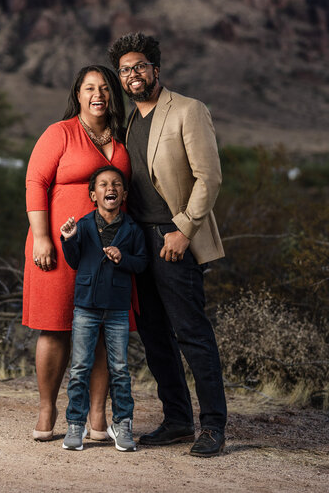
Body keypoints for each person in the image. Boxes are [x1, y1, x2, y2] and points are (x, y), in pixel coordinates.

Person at [108, 32, 227, 457]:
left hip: (173, 238)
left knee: (192, 333)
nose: (132, 75)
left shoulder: (189, 110)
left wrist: (184, 229)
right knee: (156, 335)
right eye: (124, 70)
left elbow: (208, 178)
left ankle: (212, 426)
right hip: (139, 241)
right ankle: (177, 420)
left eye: (139, 66)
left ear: (155, 69)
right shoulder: (129, 121)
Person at [22, 65, 131, 442]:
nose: (97, 94)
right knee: (55, 326)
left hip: (108, 250)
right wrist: (41, 237)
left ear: (112, 95)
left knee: (102, 328)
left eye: (104, 87)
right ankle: (47, 410)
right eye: (89, 88)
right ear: (78, 94)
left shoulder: (121, 137)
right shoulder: (60, 133)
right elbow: (36, 181)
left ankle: (97, 419)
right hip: (59, 243)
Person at [60, 166, 148, 452]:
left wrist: (123, 258)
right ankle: (75, 425)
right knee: (79, 368)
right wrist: (69, 238)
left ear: (123, 194)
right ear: (93, 194)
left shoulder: (133, 229)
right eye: (103, 184)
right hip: (85, 306)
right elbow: (74, 261)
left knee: (120, 369)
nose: (110, 188)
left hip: (118, 308)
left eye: (116, 184)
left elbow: (142, 263)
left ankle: (122, 425)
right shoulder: (83, 225)